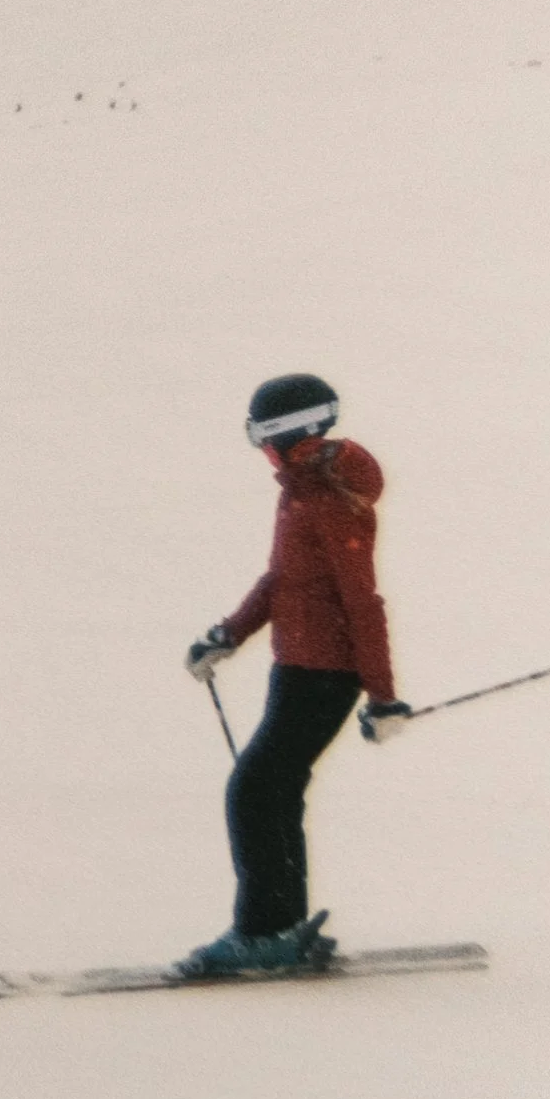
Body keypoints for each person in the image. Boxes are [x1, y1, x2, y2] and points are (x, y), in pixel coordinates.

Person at [172, 373, 413, 980]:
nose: (261, 453)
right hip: (297, 668)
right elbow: (282, 579)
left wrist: (383, 698)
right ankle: (281, 928)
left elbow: (364, 603)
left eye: (261, 439)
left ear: (288, 435)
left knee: (253, 792)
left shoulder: (330, 499)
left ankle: (264, 934)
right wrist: (228, 634)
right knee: (272, 793)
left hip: (327, 676)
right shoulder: (303, 490)